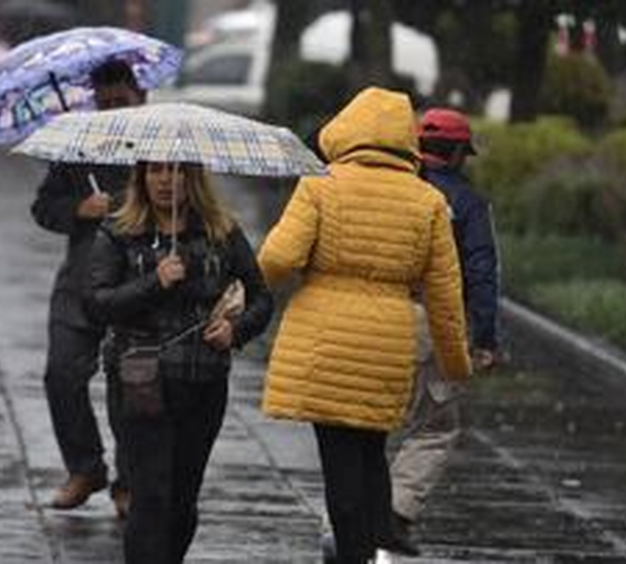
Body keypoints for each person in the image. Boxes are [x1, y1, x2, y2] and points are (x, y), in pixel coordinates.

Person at [258, 87, 471, 563]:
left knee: (339, 463)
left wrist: (246, 291)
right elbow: (444, 294)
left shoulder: (320, 184)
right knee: (371, 448)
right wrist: (456, 363)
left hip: (323, 341)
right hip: (388, 344)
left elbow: (278, 257)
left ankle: (354, 552)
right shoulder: (428, 201)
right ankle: (375, 540)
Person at [88, 161, 273, 564]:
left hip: (202, 381)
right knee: (151, 495)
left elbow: (262, 297)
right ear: (141, 178)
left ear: (193, 179)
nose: (165, 181)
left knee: (182, 499)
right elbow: (98, 304)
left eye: (176, 172)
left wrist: (235, 331)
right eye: (155, 171)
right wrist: (156, 281)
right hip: (140, 379)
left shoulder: (221, 231)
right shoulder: (118, 232)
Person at [29, 59, 145, 516]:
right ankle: (85, 466)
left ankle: (130, 483)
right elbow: (43, 207)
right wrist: (80, 207)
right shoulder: (76, 148)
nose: (112, 108)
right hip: (79, 283)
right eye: (105, 101)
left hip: (135, 287)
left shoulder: (157, 149)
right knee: (62, 375)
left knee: (133, 390)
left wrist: (121, 207)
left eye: (121, 100)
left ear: (141, 98)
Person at [387, 107, 501, 555]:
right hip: (435, 323)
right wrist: (486, 337)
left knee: (369, 424)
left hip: (381, 318)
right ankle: (395, 512)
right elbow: (482, 270)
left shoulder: (396, 189)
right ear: (457, 154)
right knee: (435, 424)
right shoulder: (469, 204)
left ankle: (350, 515)